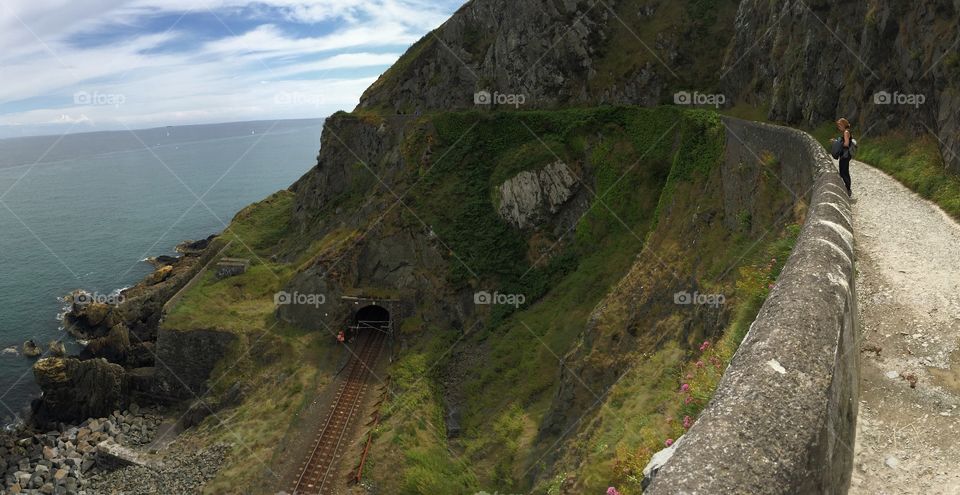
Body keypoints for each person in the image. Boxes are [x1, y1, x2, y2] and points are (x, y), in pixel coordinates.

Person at [836, 118, 853, 197]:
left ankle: (848, 189)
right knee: (845, 171)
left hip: (845, 154)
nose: (839, 127)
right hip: (847, 154)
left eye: (839, 126)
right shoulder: (848, 131)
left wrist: (837, 143)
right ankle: (847, 189)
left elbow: (846, 144)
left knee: (843, 171)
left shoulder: (846, 132)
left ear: (843, 125)